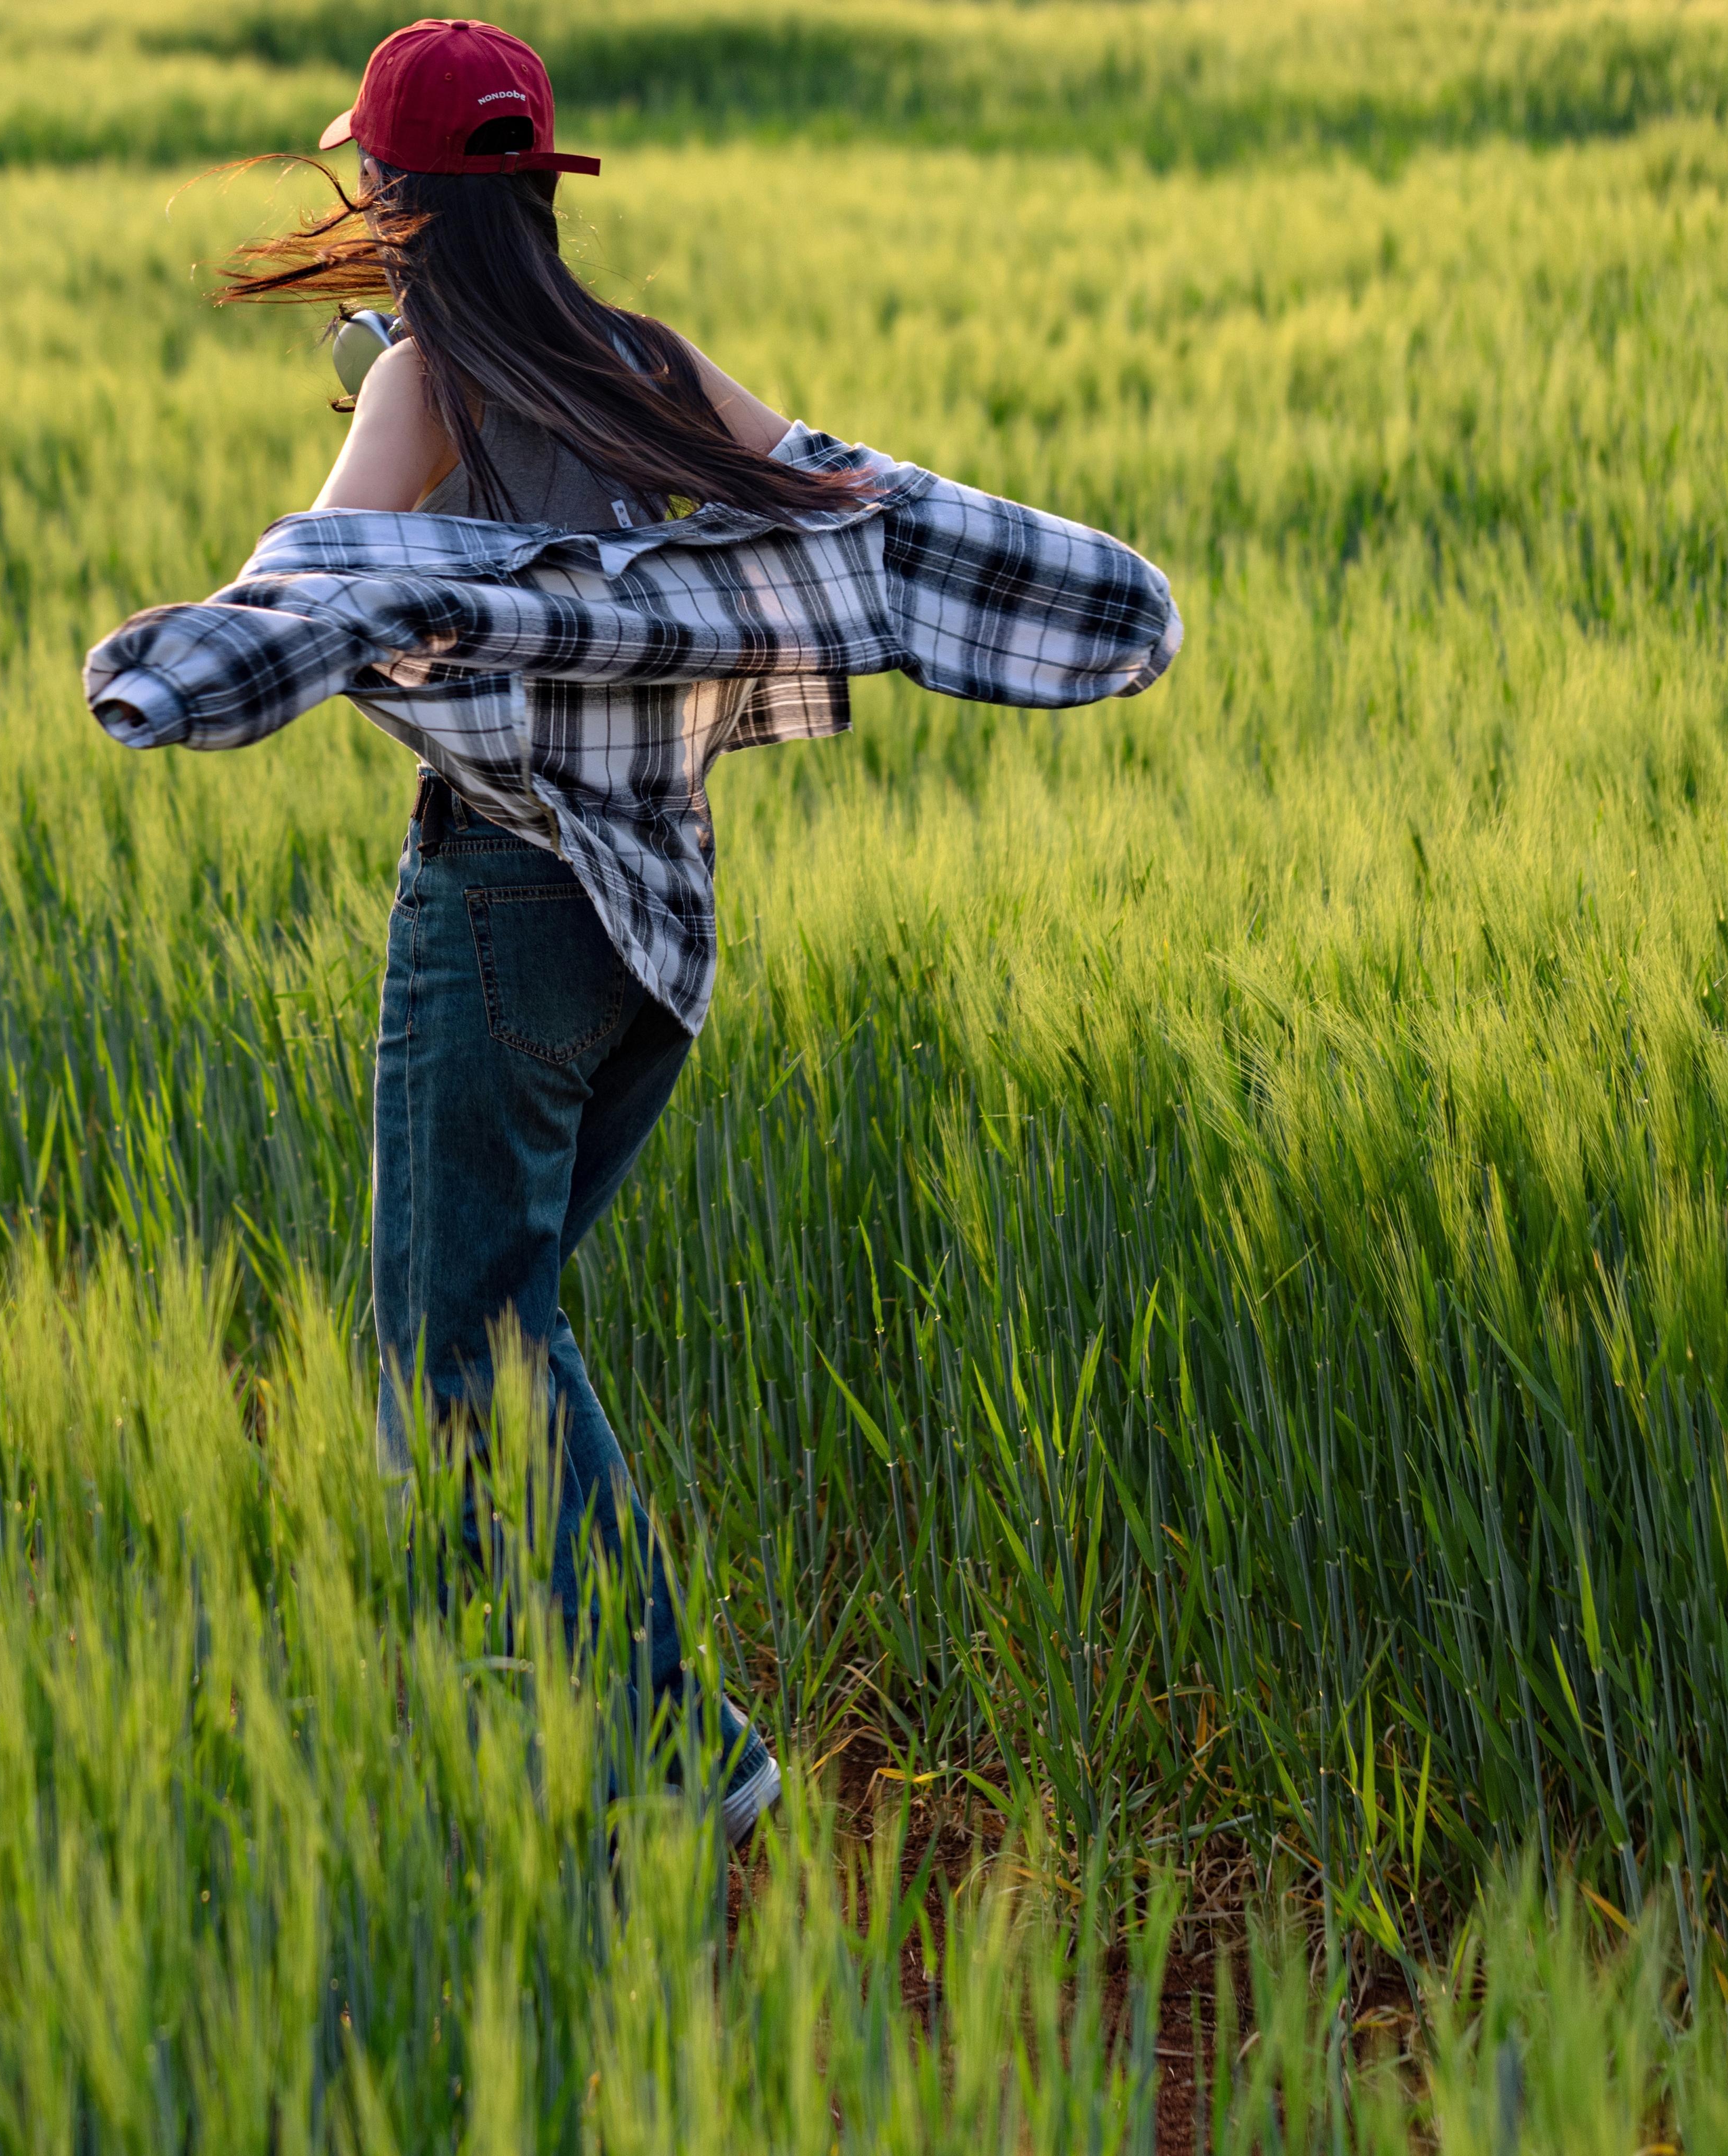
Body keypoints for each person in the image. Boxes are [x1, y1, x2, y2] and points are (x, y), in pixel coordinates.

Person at [84, 17, 1182, 1844]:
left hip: (504, 915)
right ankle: (520, 1692)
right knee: (501, 1334)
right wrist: (1091, 601)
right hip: (650, 938)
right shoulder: (647, 362)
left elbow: (327, 581)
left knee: (461, 1350)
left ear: (393, 191)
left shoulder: (427, 378)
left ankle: (674, 1745)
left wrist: (179, 668)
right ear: (537, 188)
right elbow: (851, 503)